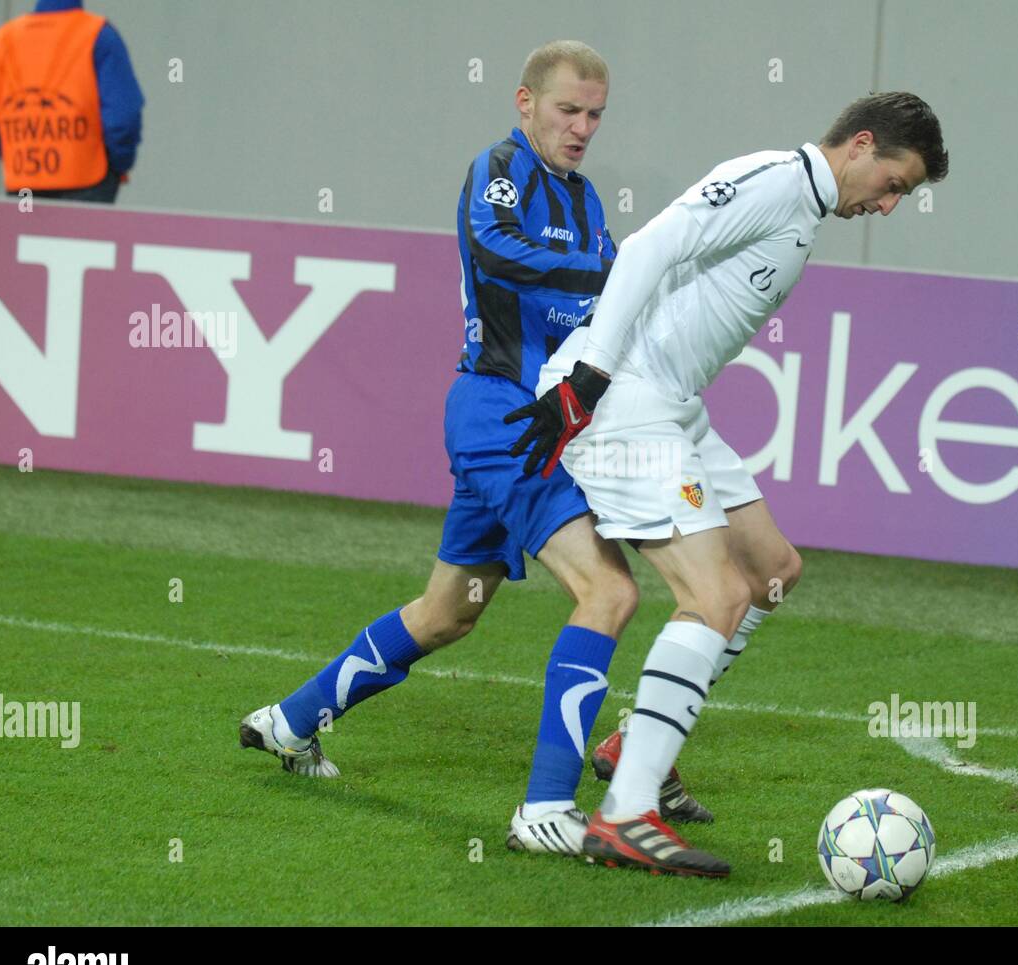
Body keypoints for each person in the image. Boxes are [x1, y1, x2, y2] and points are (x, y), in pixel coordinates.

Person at [239, 41, 706, 858]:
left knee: (448, 612)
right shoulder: (499, 168)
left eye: (596, 114)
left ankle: (287, 722)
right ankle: (544, 809)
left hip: (535, 422)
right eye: (568, 109)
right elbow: (495, 250)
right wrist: (607, 272)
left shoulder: (588, 200)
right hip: (503, 416)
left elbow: (606, 304)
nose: (582, 127)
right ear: (524, 103)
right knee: (609, 593)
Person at [506, 91, 949, 876]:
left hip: (673, 407)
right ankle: (626, 813)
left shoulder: (805, 208)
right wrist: (591, 373)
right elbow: (646, 249)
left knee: (773, 573)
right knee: (715, 598)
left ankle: (633, 741)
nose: (887, 204)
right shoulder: (777, 182)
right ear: (862, 144)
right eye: (894, 183)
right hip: (625, 397)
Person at [0, 0, 143, 203]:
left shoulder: (1, 40)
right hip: (88, 182)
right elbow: (122, 118)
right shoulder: (98, 35)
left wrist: (18, 152)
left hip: (24, 184)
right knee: (81, 235)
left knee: (26, 234)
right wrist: (117, 165)